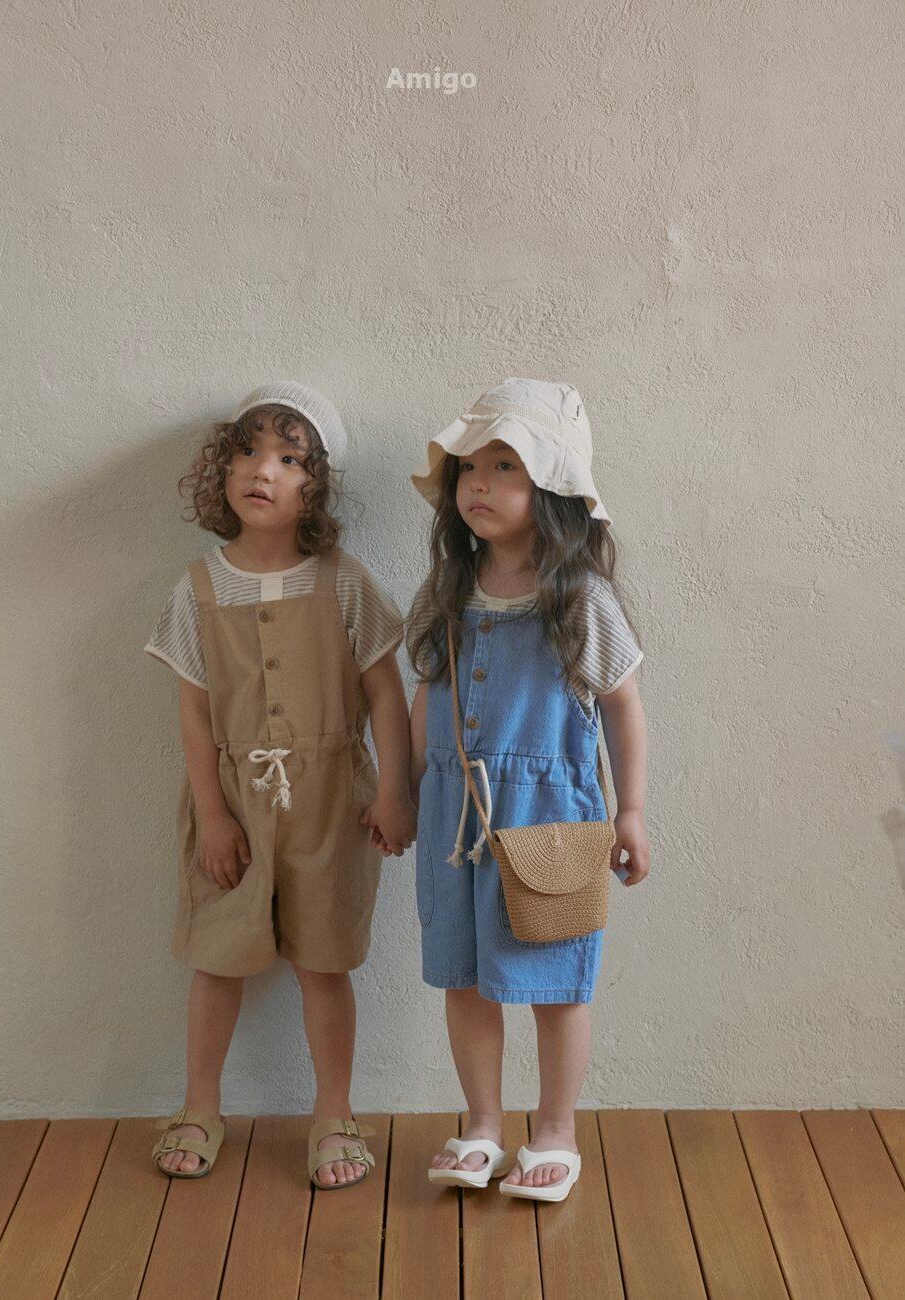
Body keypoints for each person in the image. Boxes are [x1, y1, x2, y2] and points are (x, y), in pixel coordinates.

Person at [145, 381, 415, 1189]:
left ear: (315, 485)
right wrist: (213, 815)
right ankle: (200, 1104)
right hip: (232, 804)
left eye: (289, 458)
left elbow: (386, 694)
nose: (263, 469)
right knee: (217, 959)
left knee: (324, 963)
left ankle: (334, 1114)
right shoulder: (198, 588)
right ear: (222, 468)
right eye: (247, 450)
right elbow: (194, 714)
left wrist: (394, 791)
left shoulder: (343, 582)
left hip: (333, 805)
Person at [407, 378, 651, 1203]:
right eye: (470, 466)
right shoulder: (445, 589)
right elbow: (426, 693)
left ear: (552, 485)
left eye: (504, 465)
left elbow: (623, 706)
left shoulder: (580, 600)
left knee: (553, 983)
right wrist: (408, 788)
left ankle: (555, 1131)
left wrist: (631, 811)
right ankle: (482, 1125)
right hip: (456, 819)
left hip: (550, 820)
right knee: (464, 978)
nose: (479, 482)